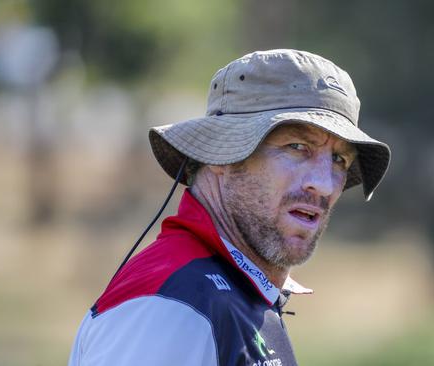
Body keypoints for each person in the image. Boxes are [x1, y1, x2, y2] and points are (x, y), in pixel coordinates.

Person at [68, 49, 390, 366]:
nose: (325, 183)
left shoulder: (233, 294)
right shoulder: (176, 307)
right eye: (296, 147)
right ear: (221, 154)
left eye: (339, 159)